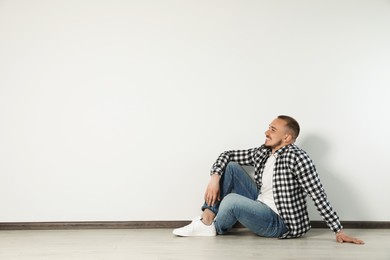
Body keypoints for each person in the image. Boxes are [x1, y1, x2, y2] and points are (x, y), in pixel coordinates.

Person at [173, 115, 364, 244]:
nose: (266, 132)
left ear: (287, 138)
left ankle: (213, 227)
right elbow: (228, 154)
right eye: (268, 128)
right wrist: (214, 177)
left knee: (231, 200)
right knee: (230, 167)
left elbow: (318, 194)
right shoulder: (263, 152)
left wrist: (338, 230)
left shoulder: (298, 158)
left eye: (272, 130)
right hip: (260, 203)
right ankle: (207, 221)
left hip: (280, 222)